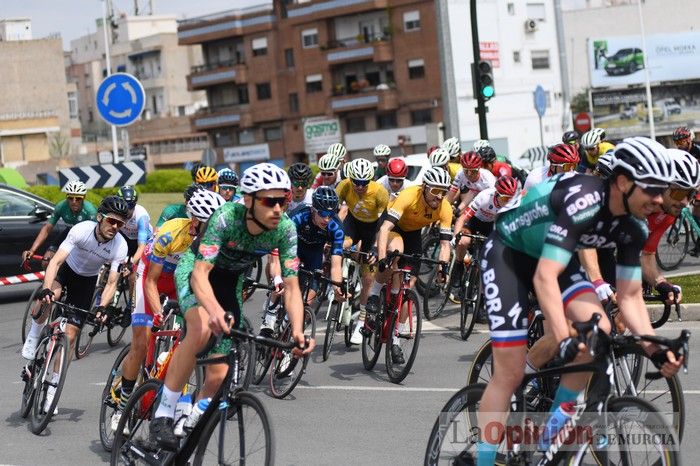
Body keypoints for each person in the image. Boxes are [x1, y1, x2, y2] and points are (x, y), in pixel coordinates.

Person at [474, 137, 682, 466]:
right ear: (624, 183)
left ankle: (549, 445)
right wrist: (563, 335)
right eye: (652, 189)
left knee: (597, 334)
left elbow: (629, 296)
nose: (659, 199)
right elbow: (543, 277)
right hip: (510, 256)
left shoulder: (634, 227)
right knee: (510, 373)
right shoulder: (585, 199)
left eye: (663, 190)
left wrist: (653, 347)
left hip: (555, 258)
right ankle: (484, 460)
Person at [149, 163, 314, 449]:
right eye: (269, 200)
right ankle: (163, 413)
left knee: (219, 373)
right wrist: (213, 312)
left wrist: (298, 332)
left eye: (283, 200)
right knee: (200, 329)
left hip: (230, 281)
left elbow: (291, 285)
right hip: (197, 271)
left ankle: (188, 423)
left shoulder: (285, 230)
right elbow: (200, 274)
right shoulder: (226, 218)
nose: (278, 208)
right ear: (248, 201)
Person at [110, 189, 225, 432]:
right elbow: (151, 281)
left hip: (178, 285)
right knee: (141, 343)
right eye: (207, 225)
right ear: (194, 221)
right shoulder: (171, 232)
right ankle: (122, 405)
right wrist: (157, 312)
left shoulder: (213, 244)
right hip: (150, 278)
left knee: (189, 339)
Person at [21, 196, 129, 413]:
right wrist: (47, 288)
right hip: (66, 270)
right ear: (100, 218)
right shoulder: (82, 230)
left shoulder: (120, 245)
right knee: (49, 298)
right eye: (111, 221)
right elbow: (56, 261)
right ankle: (34, 337)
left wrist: (101, 307)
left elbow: (111, 282)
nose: (115, 227)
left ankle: (53, 385)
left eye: (120, 224)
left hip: (86, 281)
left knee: (70, 336)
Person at [368, 167, 453, 363]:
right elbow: (385, 228)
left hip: (413, 233)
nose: (439, 196)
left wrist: (443, 268)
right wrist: (381, 258)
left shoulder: (445, 208)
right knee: (395, 253)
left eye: (443, 191)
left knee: (408, 286)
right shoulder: (408, 196)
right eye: (435, 191)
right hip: (392, 227)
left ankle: (395, 338)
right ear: (424, 187)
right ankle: (374, 294)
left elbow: (445, 244)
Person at [336, 158, 390, 344]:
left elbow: (383, 224)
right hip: (353, 224)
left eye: (364, 183)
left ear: (370, 180)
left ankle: (362, 321)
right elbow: (334, 212)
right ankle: (343, 276)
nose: (359, 187)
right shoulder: (344, 185)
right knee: (341, 245)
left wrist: (376, 248)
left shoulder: (379, 192)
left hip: (372, 229)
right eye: (356, 183)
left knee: (368, 276)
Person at [451, 175, 520, 307]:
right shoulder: (485, 196)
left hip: (491, 226)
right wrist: (456, 237)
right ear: (496, 194)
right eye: (505, 198)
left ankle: (481, 299)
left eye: (510, 199)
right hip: (474, 222)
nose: (507, 202)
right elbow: (462, 219)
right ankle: (458, 265)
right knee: (464, 241)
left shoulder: (514, 204)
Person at [284, 187, 345, 309]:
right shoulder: (299, 216)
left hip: (314, 252)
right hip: (294, 247)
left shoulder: (336, 228)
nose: (327, 219)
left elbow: (336, 265)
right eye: (323, 214)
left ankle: (291, 320)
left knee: (312, 292)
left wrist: (337, 288)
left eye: (331, 214)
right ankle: (271, 313)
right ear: (313, 210)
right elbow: (282, 245)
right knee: (286, 281)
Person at [22, 180, 97, 265]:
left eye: (78, 198)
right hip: (69, 233)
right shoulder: (61, 206)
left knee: (74, 264)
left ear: (84, 197)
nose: (74, 201)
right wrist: (32, 250)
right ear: (66, 197)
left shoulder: (90, 211)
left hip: (85, 238)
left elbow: (97, 235)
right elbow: (47, 229)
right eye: (70, 198)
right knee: (46, 262)